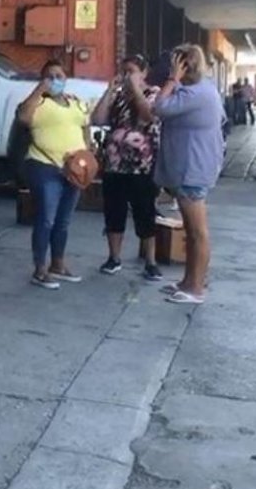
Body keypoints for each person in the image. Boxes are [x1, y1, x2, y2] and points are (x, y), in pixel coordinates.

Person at [152, 44, 226, 305]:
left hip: (192, 169)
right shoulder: (202, 89)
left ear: (184, 66)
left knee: (197, 232)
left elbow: (159, 108)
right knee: (192, 232)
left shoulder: (195, 93)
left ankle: (196, 288)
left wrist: (173, 79)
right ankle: (188, 281)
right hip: (191, 167)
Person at [17, 60, 92, 290]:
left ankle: (57, 264)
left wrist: (86, 154)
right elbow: (23, 118)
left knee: (63, 220)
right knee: (46, 218)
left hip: (73, 170)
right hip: (45, 165)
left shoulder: (76, 103)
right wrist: (40, 89)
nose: (55, 80)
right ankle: (40, 268)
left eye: (59, 76)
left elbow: (85, 127)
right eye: (49, 76)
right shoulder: (38, 102)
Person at [91, 54, 163, 281]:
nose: (127, 75)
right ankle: (114, 257)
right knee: (114, 211)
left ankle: (150, 261)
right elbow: (98, 119)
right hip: (115, 164)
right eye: (124, 71)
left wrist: (136, 89)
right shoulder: (118, 97)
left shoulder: (154, 94)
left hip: (142, 166)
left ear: (144, 73)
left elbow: (148, 116)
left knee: (145, 212)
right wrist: (109, 92)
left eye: (131, 71)